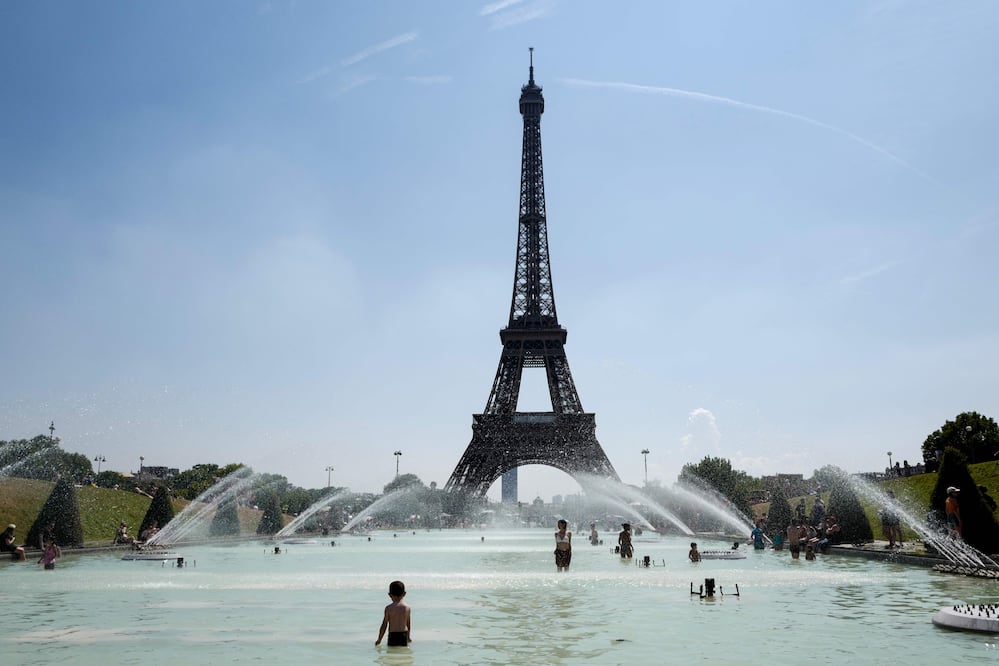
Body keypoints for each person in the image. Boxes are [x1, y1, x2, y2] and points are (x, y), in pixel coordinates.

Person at [375, 580, 411, 647]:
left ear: (389, 595)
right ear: (404, 594)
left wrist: (379, 639)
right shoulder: (407, 608)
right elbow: (408, 624)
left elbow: (384, 625)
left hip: (393, 635)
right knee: (404, 656)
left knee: (391, 654)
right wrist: (408, 637)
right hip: (404, 635)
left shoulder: (388, 608)